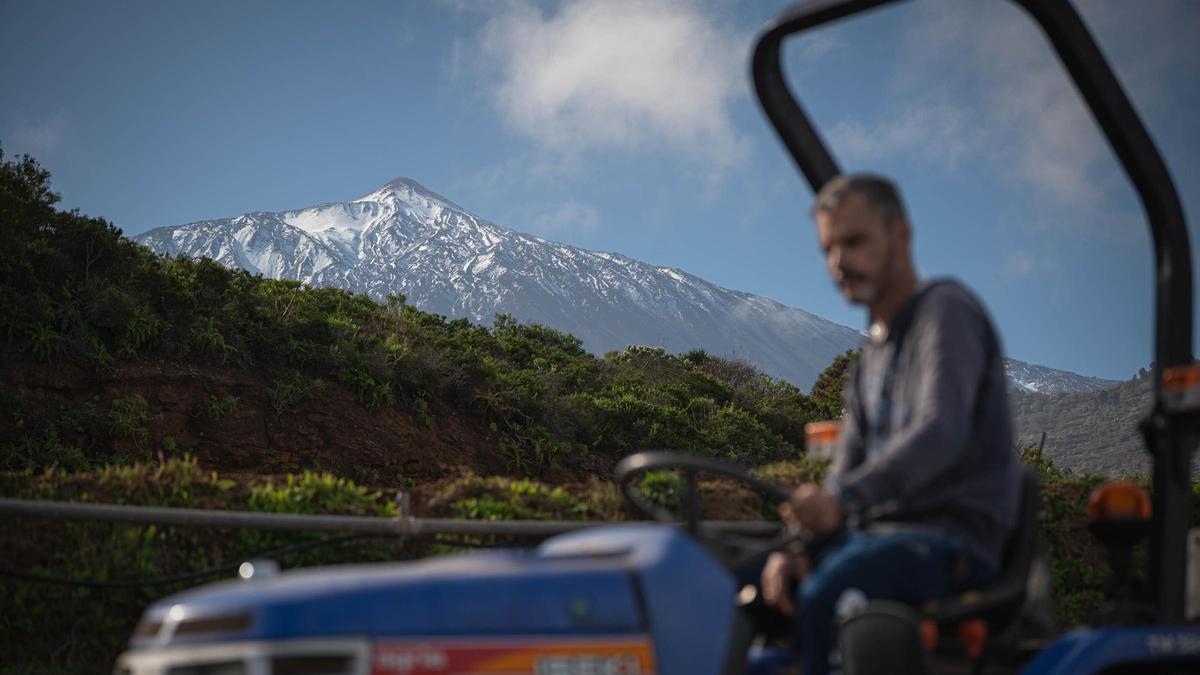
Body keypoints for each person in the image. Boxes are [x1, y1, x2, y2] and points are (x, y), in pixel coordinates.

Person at [760, 173, 1023, 675]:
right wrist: (800, 545)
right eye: (828, 249)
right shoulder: (870, 360)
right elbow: (843, 471)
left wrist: (844, 503)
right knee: (752, 590)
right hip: (877, 538)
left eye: (854, 242)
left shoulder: (945, 312)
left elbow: (941, 430)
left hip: (950, 540)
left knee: (824, 595)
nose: (838, 262)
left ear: (900, 236)